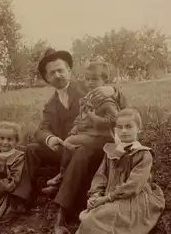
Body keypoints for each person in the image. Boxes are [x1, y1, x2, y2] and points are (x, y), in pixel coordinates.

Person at [41, 108, 165, 234]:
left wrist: (106, 199)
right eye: (119, 127)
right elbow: (101, 177)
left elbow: (134, 186)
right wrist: (95, 195)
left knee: (107, 215)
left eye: (129, 127)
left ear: (139, 128)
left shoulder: (143, 154)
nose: (123, 131)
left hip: (135, 199)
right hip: (109, 196)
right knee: (93, 214)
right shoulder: (111, 151)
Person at [13, 48, 127, 234]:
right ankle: (24, 199)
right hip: (66, 146)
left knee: (80, 150)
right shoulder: (50, 104)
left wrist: (113, 90)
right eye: (52, 73)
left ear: (69, 71)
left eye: (61, 70)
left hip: (92, 145)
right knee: (32, 149)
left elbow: (119, 103)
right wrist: (50, 138)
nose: (57, 75)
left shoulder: (88, 87)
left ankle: (61, 212)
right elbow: (41, 129)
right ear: (46, 78)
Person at [42, 60, 120, 193]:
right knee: (69, 141)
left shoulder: (105, 98)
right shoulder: (87, 97)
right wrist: (73, 130)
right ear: (47, 78)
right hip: (86, 134)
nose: (89, 83)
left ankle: (63, 181)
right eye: (87, 79)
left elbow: (114, 120)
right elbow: (80, 117)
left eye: (94, 79)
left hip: (102, 136)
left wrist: (92, 116)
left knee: (70, 143)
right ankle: (61, 176)